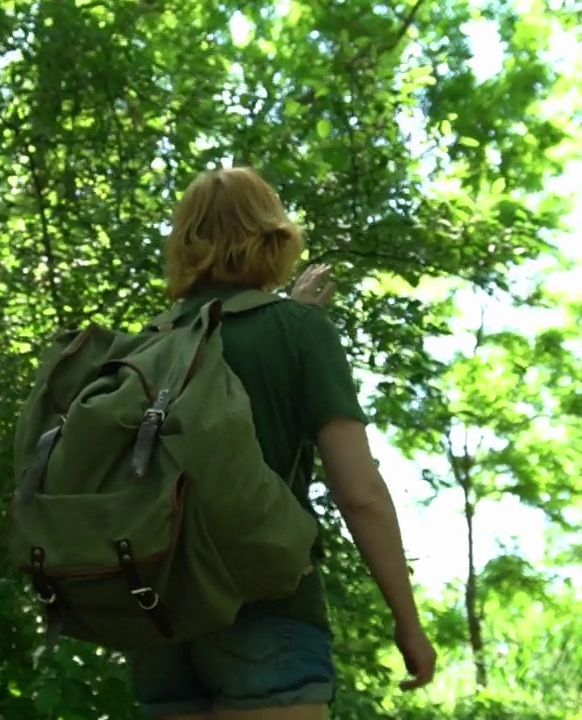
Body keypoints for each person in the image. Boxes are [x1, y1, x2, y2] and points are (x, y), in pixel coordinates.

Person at [128, 167, 438, 720]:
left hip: (161, 621)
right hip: (267, 608)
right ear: (273, 237)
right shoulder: (299, 333)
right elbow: (360, 493)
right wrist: (407, 621)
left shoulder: (150, 344)